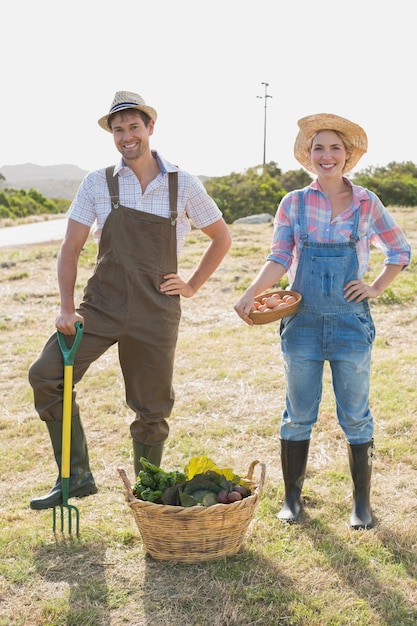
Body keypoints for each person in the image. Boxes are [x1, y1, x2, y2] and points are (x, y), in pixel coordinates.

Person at [28, 90, 231, 510]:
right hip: (102, 305)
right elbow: (71, 249)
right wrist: (67, 308)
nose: (126, 136)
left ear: (150, 128)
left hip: (156, 311)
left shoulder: (183, 183)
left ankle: (147, 497)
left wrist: (191, 284)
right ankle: (75, 476)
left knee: (152, 409)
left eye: (133, 127)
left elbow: (221, 237)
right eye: (118, 129)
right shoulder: (98, 183)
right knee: (47, 375)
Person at [234, 113, 411, 529]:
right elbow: (279, 257)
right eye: (319, 148)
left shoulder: (367, 202)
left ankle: (361, 505)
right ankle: (292, 500)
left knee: (355, 414)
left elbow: (399, 251)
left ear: (348, 156)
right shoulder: (293, 203)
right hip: (304, 325)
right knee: (298, 414)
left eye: (335, 148)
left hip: (351, 324)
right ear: (309, 156)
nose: (326, 155)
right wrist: (249, 293)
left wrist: (375, 288)